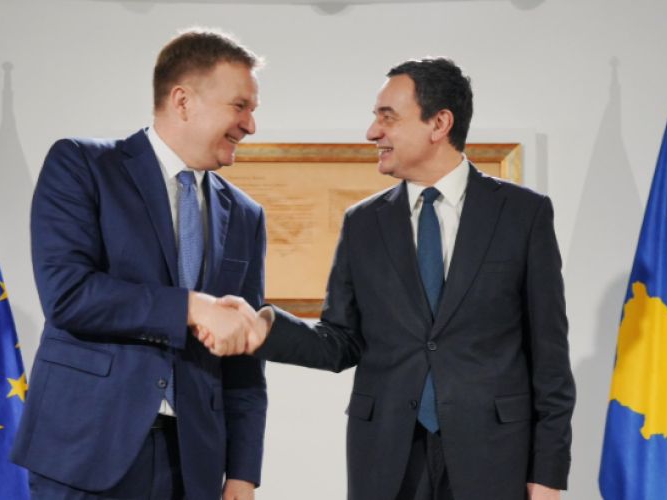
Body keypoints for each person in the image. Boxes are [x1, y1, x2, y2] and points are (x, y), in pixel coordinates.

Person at [207, 57, 575, 500]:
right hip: (387, 459)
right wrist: (264, 327)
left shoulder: (523, 215)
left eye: (388, 117)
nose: (372, 132)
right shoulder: (363, 223)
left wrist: (548, 476)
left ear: (439, 123)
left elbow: (550, 360)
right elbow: (340, 341)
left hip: (494, 459)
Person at [10, 29, 267, 500]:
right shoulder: (82, 165)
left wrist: (243, 472)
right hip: (84, 452)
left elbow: (244, 356)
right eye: (240, 106)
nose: (250, 124)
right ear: (182, 101)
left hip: (192, 464)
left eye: (253, 109)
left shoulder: (247, 215)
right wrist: (191, 306)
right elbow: (68, 295)